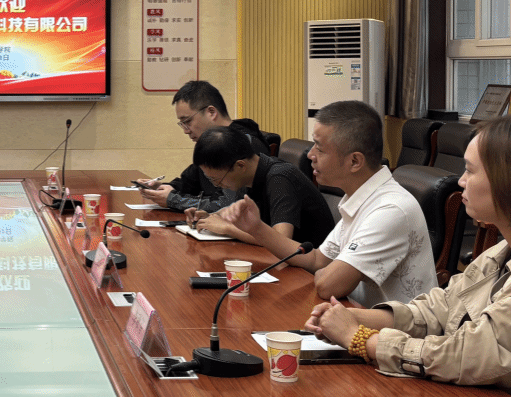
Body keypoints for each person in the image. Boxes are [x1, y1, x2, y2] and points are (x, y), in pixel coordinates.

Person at [310, 113, 511, 397]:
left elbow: (470, 356)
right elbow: (440, 308)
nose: (461, 181)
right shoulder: (510, 246)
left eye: (470, 171)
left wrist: (360, 339)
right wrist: (356, 318)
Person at [222, 101, 436, 305]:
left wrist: (326, 274)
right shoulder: (361, 197)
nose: (310, 155)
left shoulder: (390, 210)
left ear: (355, 161)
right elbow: (316, 260)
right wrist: (256, 228)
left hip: (391, 329)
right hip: (353, 316)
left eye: (320, 148)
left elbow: (327, 285)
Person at [186, 125, 335, 248]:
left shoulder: (280, 178)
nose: (217, 185)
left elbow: (282, 240)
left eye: (216, 179)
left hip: (308, 268)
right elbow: (239, 214)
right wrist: (211, 217)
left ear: (240, 166)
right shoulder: (248, 177)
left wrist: (228, 229)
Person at [138, 80, 268, 212]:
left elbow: (229, 205)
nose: (186, 131)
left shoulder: (242, 144)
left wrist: (173, 199)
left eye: (187, 121)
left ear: (211, 112)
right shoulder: (210, 145)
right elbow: (190, 183)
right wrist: (164, 189)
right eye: (182, 124)